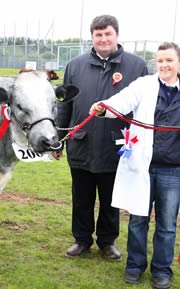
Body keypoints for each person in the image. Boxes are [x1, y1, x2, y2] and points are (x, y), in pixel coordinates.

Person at [90, 42, 180, 289]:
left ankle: (161, 270)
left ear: (179, 62)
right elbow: (121, 102)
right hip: (142, 167)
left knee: (166, 224)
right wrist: (104, 108)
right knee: (137, 220)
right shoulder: (144, 85)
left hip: (173, 170)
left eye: (169, 60)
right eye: (160, 61)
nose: (164, 65)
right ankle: (134, 265)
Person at [55, 15, 148, 261]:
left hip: (117, 145)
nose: (103, 39)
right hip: (81, 142)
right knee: (81, 197)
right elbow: (65, 105)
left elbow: (143, 109)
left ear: (116, 35)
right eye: (98, 35)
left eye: (108, 34)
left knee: (111, 198)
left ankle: (107, 242)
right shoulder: (75, 66)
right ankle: (82, 239)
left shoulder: (137, 67)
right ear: (92, 37)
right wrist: (59, 138)